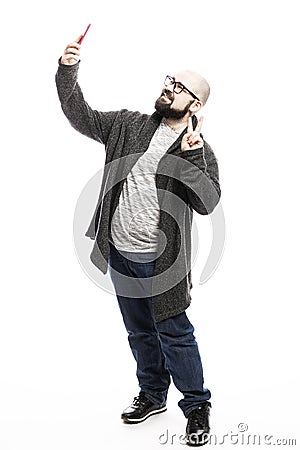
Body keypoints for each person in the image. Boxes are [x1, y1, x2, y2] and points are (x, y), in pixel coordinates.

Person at [55, 34, 221, 447]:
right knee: (139, 331)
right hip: (120, 253)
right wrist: (67, 69)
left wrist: (194, 157)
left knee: (175, 333)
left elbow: (207, 203)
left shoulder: (197, 147)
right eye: (169, 79)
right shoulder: (128, 124)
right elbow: (80, 115)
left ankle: (197, 404)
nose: (168, 86)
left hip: (163, 264)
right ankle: (152, 393)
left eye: (179, 86)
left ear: (195, 105)